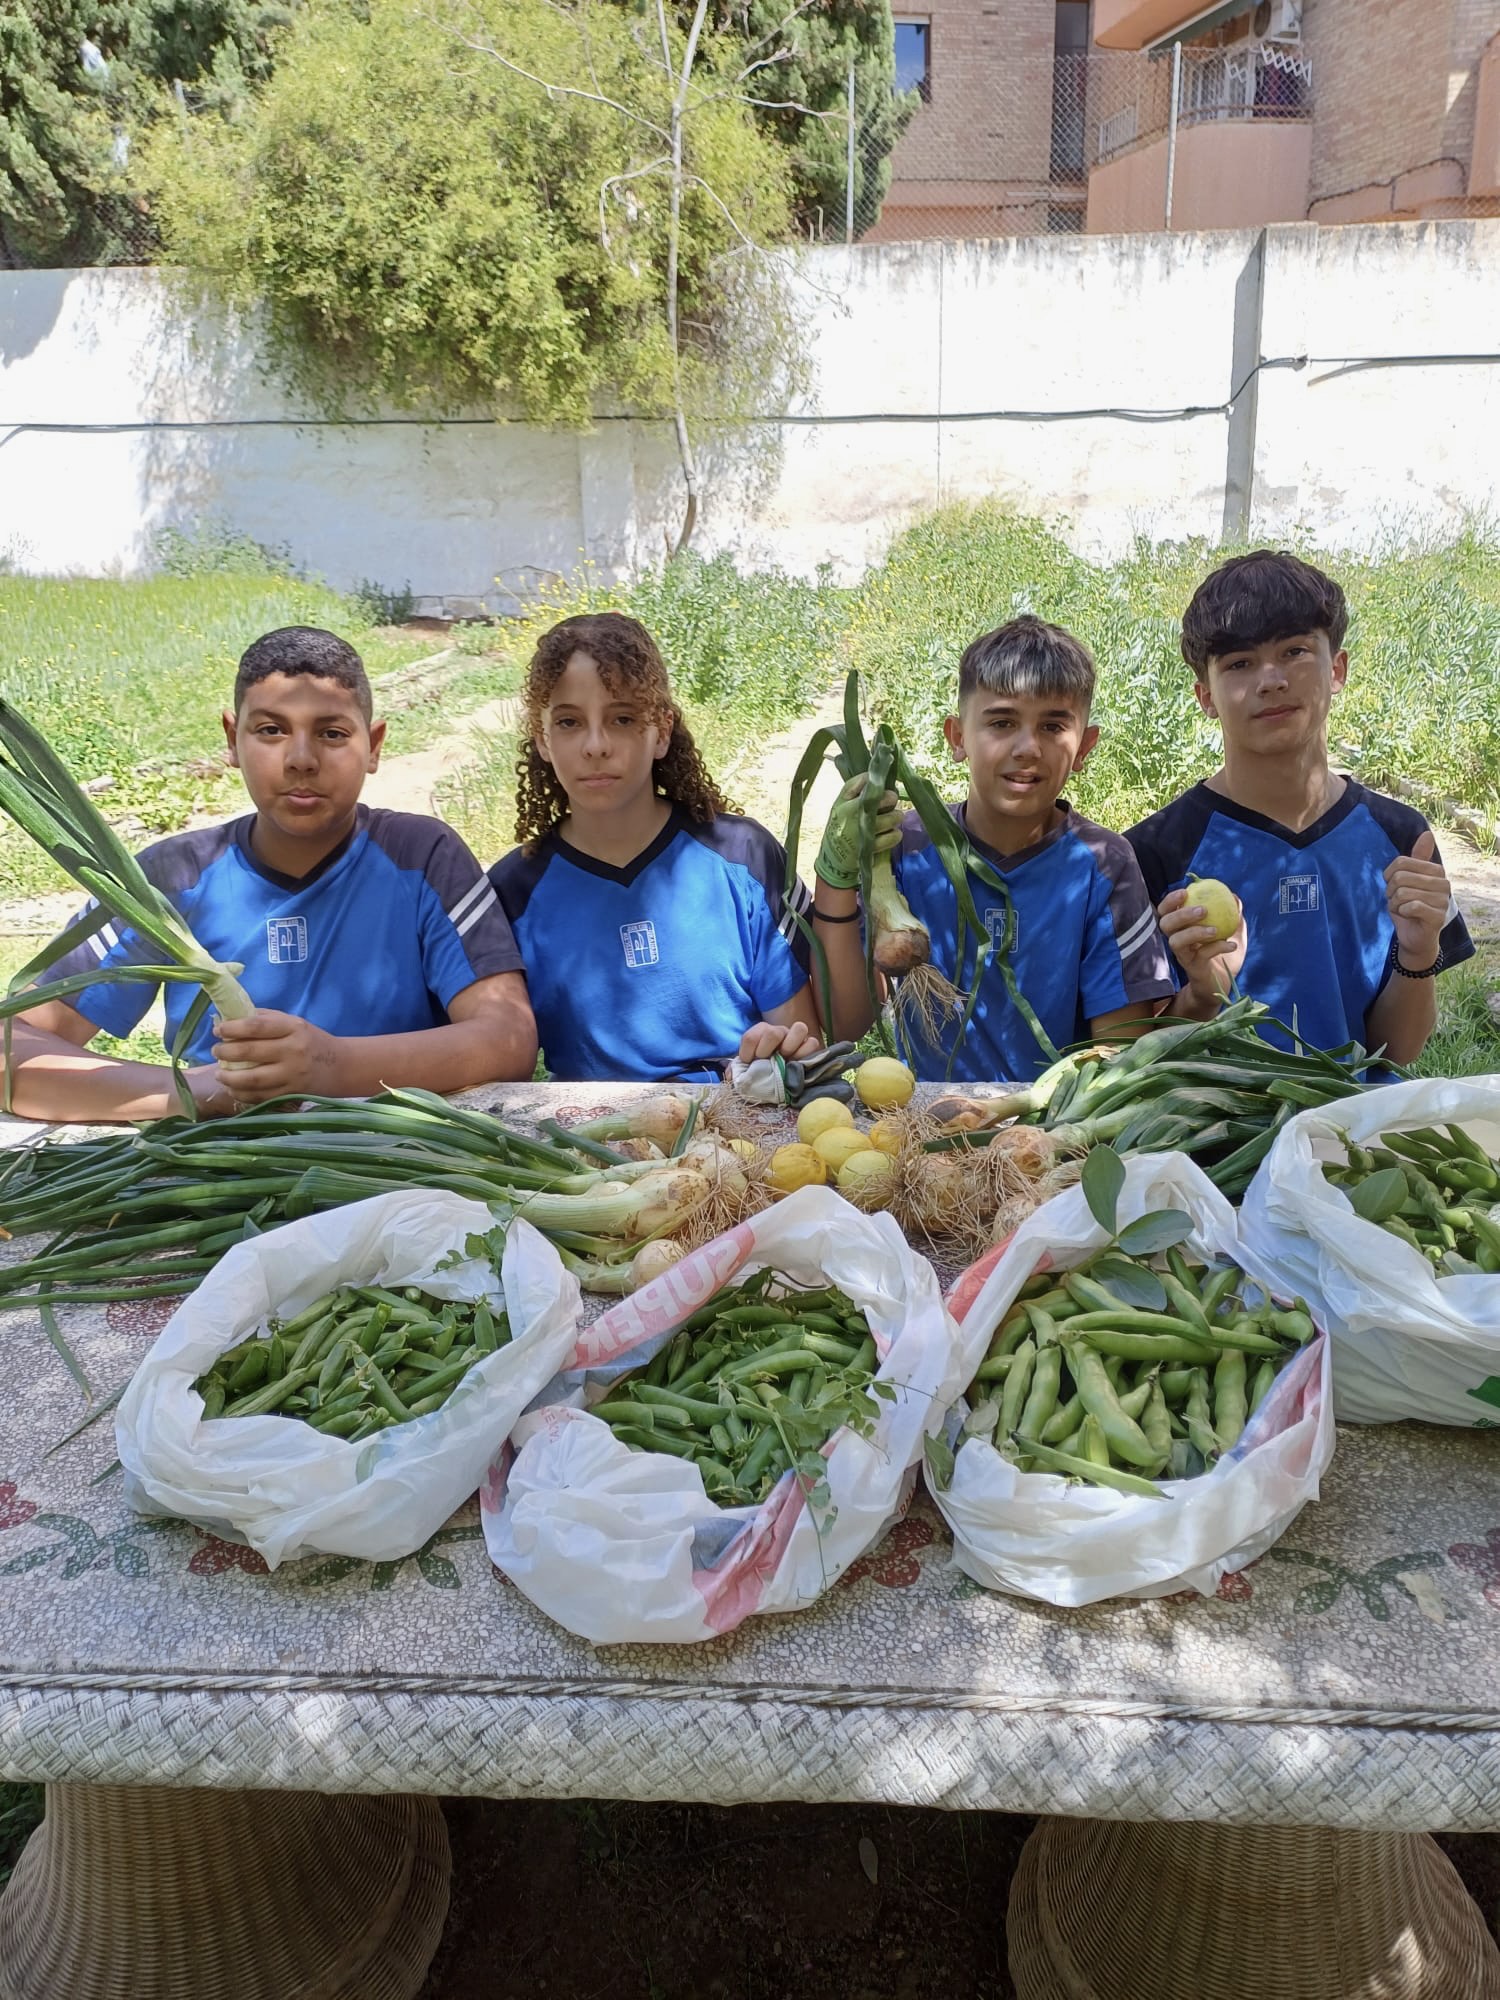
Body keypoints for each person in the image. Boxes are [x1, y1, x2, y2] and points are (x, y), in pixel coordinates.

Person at [19, 625, 536, 1118]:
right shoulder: (169, 877)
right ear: (232, 738)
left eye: (332, 733)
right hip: (218, 1165)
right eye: (270, 730)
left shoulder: (422, 856)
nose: (301, 759)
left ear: (374, 745)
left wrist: (331, 1066)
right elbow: (11, 1043)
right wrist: (193, 1090)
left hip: (391, 1164)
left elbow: (507, 1037)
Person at [1127, 550, 1473, 1064]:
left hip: (1349, 1132)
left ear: (1337, 669)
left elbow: (1395, 1053)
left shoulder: (1401, 837)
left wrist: (1418, 955)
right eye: (1240, 663)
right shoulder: (1153, 852)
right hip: (1211, 1142)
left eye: (1294, 651)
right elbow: (1137, 1062)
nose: (1271, 680)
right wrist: (1202, 993)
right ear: (1206, 696)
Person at [812, 616, 1176, 1082]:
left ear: (1084, 747)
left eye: (1052, 726)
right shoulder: (903, 849)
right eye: (1002, 722)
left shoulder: (1104, 864)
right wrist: (837, 876)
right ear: (957, 737)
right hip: (918, 1121)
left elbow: (1115, 1057)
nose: (1027, 747)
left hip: (1051, 1128)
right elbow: (846, 1023)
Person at [488, 611, 821, 1083]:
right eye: (568, 722)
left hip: (741, 1129)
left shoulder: (744, 856)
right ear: (542, 739)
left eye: (622, 718)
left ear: (661, 730)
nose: (596, 745)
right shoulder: (511, 894)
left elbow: (802, 1044)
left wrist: (783, 1054)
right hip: (595, 1143)